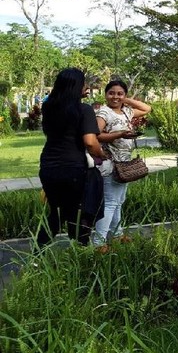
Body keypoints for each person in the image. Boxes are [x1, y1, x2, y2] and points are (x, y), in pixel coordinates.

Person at [37, 68, 108, 247]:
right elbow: (90, 142)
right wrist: (102, 154)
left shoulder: (48, 107)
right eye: (84, 83)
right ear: (76, 86)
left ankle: (36, 256)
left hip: (49, 167)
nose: (87, 87)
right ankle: (80, 255)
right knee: (80, 214)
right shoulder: (84, 109)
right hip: (73, 168)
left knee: (56, 213)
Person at [92, 80, 152, 247]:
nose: (115, 97)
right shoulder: (104, 113)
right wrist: (119, 134)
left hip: (124, 164)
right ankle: (99, 243)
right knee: (110, 203)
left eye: (120, 93)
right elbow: (96, 135)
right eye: (111, 93)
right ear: (105, 95)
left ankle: (117, 234)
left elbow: (147, 109)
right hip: (111, 164)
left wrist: (125, 101)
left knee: (118, 201)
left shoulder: (127, 112)